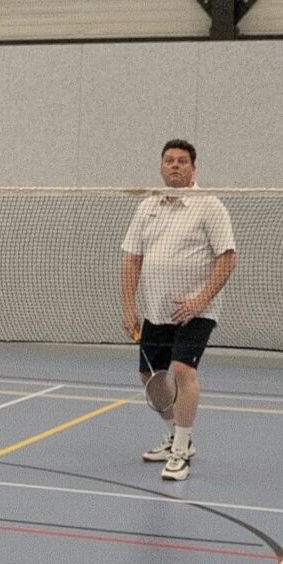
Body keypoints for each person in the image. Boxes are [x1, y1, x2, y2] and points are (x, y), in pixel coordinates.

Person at [118, 138, 236, 482]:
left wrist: (200, 300)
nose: (174, 165)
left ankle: (181, 451)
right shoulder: (148, 206)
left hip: (195, 310)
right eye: (169, 160)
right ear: (161, 166)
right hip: (157, 310)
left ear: (193, 168)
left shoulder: (209, 205)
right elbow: (131, 258)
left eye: (182, 161)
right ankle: (175, 434)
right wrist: (129, 306)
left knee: (183, 369)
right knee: (150, 377)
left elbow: (228, 257)